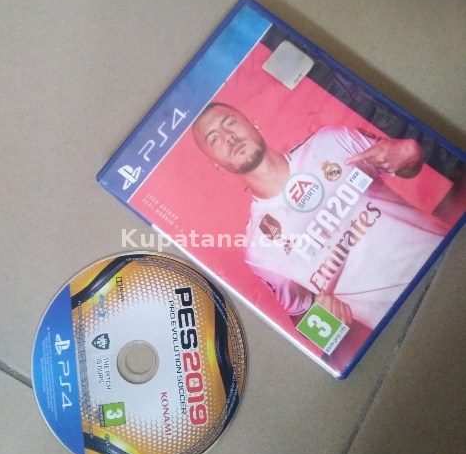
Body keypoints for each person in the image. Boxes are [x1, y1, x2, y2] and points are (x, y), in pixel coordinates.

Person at [192, 102, 449, 332]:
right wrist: (327, 320)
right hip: (408, 325)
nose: (228, 137)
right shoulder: (259, 249)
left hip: (446, 258)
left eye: (230, 123)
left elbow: (407, 166)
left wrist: (411, 152)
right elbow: (303, 318)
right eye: (214, 139)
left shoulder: (331, 142)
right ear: (215, 164)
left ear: (253, 123)